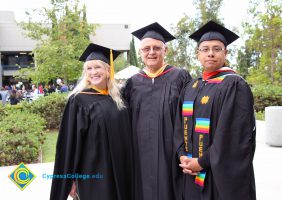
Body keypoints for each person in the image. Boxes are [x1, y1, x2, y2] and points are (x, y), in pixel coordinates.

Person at [173, 20, 256, 200]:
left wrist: (201, 162)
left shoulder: (234, 85)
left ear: (225, 53)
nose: (210, 53)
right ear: (198, 54)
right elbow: (179, 126)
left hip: (217, 177)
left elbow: (233, 137)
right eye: (205, 49)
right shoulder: (191, 86)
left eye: (217, 49)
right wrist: (183, 156)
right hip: (190, 173)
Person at [50, 43, 133, 200]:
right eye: (89, 68)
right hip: (94, 173)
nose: (94, 72)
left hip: (122, 170)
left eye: (98, 67)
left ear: (108, 70)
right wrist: (70, 179)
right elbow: (69, 144)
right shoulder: (78, 100)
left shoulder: (118, 98)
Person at [122, 22, 191, 200]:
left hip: (172, 153)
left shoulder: (180, 77)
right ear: (140, 52)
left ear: (165, 50)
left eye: (156, 48)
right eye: (146, 49)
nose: (151, 52)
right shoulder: (132, 83)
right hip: (139, 152)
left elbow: (190, 116)